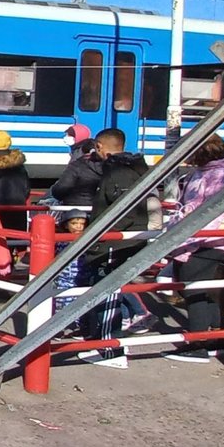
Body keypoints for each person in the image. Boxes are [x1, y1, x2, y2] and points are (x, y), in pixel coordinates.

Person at [163, 135, 224, 363]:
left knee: (193, 288)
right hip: (220, 237)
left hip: (207, 237)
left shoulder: (216, 175)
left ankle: (197, 343)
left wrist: (186, 238)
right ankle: (216, 336)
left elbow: (210, 212)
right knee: (204, 288)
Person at [76, 127, 151, 369]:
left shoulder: (118, 173)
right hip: (121, 240)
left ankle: (110, 350)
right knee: (109, 292)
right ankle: (105, 342)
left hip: (113, 243)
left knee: (108, 295)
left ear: (100, 147)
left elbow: (123, 209)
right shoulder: (131, 169)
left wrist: (102, 238)